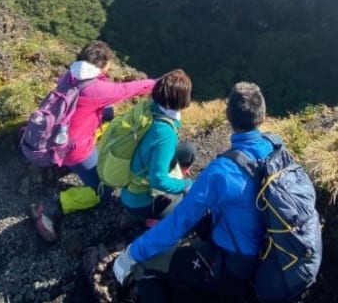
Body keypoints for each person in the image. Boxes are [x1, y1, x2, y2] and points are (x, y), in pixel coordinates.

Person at [113, 82, 273, 302]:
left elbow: (180, 221)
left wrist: (132, 252)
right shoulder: (277, 151)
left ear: (228, 117)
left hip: (233, 265)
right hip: (269, 256)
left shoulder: (222, 171)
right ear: (263, 118)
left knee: (144, 262)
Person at [30, 40, 156, 242]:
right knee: (103, 189)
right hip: (74, 149)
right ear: (102, 65)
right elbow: (127, 90)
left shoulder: (70, 75)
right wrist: (157, 84)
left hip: (58, 134)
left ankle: (63, 164)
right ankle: (52, 206)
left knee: (108, 112)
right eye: (108, 65)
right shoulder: (95, 89)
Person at [120, 69, 196, 225]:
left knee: (188, 150)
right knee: (191, 208)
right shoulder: (165, 133)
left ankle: (171, 190)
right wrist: (185, 185)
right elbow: (158, 180)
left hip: (130, 181)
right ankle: (153, 219)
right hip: (140, 200)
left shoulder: (148, 108)